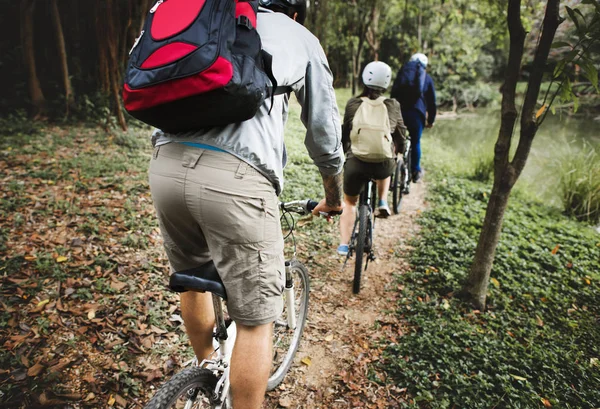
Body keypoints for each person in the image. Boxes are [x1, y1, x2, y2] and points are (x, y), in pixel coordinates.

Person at [148, 1, 344, 408]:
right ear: (295, 10)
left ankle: (207, 373)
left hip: (164, 165)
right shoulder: (300, 38)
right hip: (236, 180)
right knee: (256, 320)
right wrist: (333, 196)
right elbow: (325, 137)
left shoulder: (200, 18)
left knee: (191, 276)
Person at [337, 61, 407, 256]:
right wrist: (400, 148)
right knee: (387, 158)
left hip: (356, 162)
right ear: (386, 83)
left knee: (350, 203)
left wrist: (345, 154)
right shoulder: (392, 105)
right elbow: (400, 133)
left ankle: (343, 244)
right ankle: (383, 201)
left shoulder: (354, 103)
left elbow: (345, 133)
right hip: (383, 166)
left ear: (364, 79)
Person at [392, 53, 436, 182]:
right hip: (417, 114)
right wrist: (431, 120)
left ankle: (389, 169)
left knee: (394, 140)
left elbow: (393, 94)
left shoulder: (402, 75)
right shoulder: (427, 78)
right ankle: (416, 171)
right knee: (416, 141)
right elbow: (432, 103)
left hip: (399, 112)